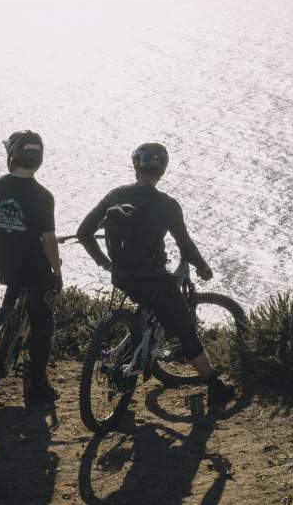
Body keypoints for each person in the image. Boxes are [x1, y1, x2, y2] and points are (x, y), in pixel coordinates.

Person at [76, 142, 234, 404]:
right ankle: (214, 386)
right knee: (185, 331)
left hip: (122, 276)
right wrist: (203, 267)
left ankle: (134, 349)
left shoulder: (116, 195)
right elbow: (185, 244)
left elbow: (83, 233)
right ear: (162, 169)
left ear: (136, 165)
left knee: (149, 307)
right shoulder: (168, 205)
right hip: (154, 280)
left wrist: (105, 264)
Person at [0, 130, 62, 404]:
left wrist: (12, 230)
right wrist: (57, 271)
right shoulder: (43, 196)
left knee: (13, 298)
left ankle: (0, 344)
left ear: (12, 155)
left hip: (5, 264)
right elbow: (50, 242)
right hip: (34, 269)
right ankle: (38, 384)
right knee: (43, 324)